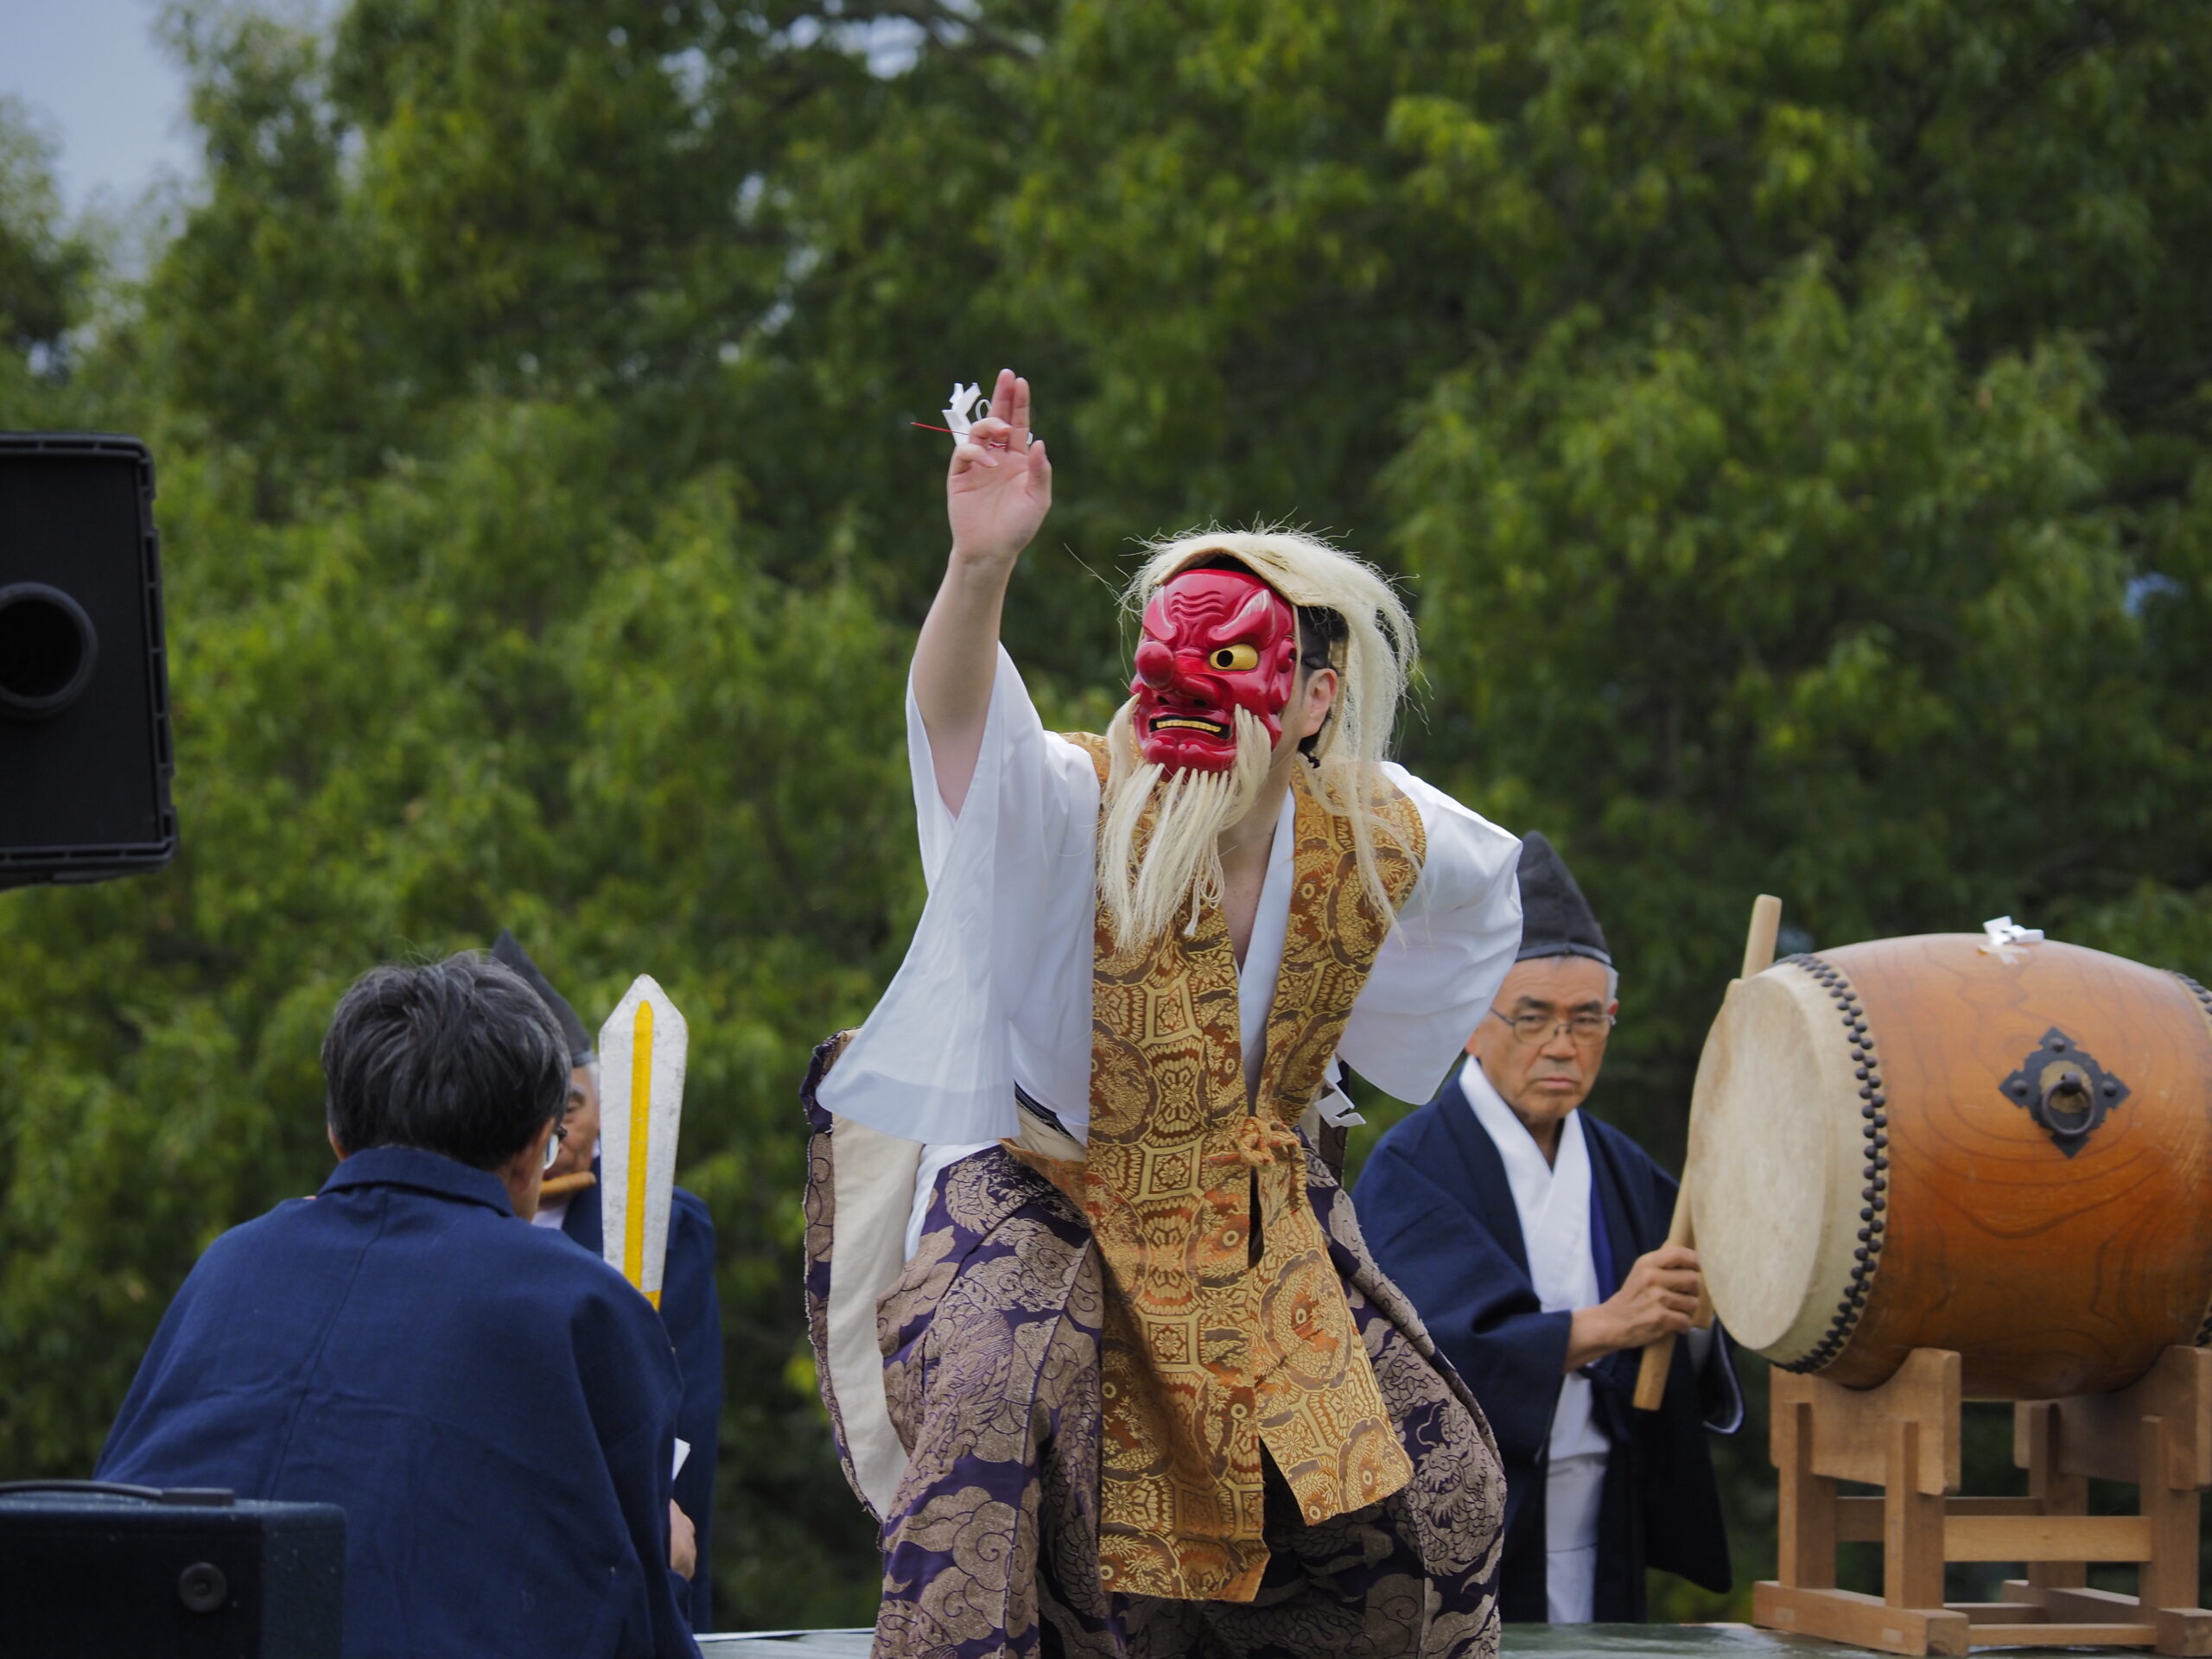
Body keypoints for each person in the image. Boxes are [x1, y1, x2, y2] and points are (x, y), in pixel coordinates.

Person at [804, 370, 1524, 1658]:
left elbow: (1495, 898)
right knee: (990, 1400)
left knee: (1443, 1486)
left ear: (1312, 699)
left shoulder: (1381, 829)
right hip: (1047, 1193)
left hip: (1253, 1209)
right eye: (1166, 663)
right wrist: (980, 570)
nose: (1182, 700)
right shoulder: (1078, 799)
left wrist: (1354, 1055)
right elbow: (960, 722)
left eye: (1235, 666)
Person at [97, 953, 701, 1659]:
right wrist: (668, 1567)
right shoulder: (582, 1304)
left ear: (337, 1138)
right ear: (535, 1147)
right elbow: (633, 1630)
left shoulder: (229, 1262)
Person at [1355, 834, 1741, 1624]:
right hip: (1475, 1512)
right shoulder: (1414, 1165)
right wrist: (1608, 1325)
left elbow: (1683, 1330)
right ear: (1469, 1018)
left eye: (1586, 1019)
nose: (1562, 1046)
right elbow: (1420, 1356)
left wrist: (1697, 1318)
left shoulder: (1626, 1167)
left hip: (1608, 1501)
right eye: (1532, 1018)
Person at [492, 930, 725, 1632]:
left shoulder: (658, 1225)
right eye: (545, 1115)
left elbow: (680, 1417)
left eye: (573, 1106)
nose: (562, 1134)